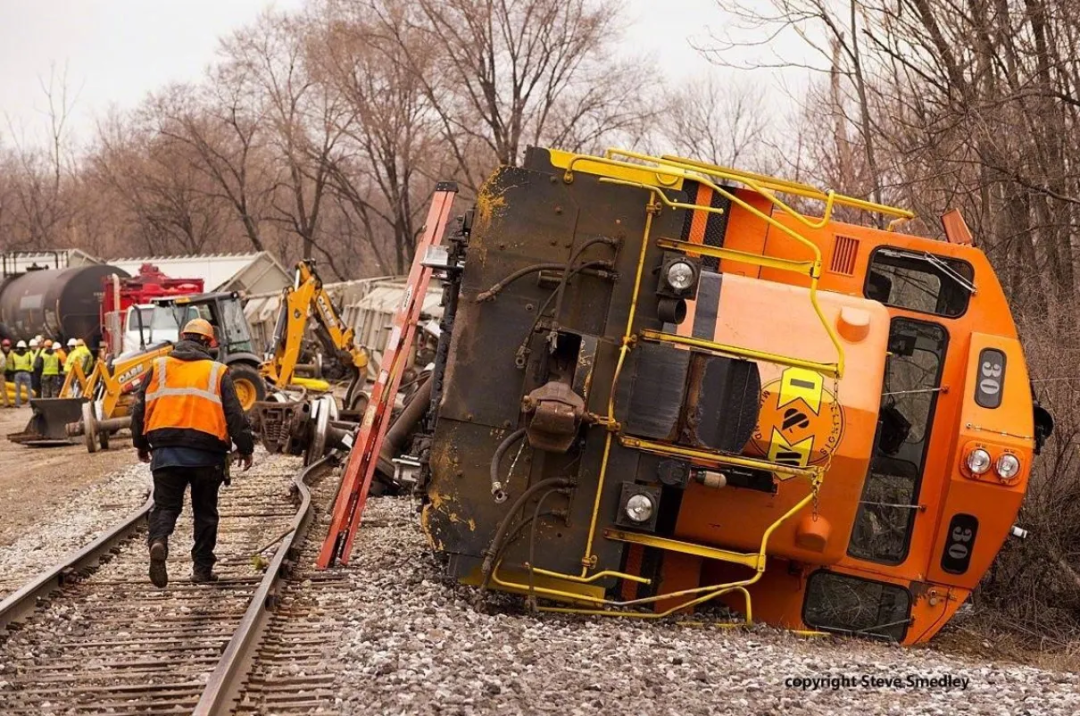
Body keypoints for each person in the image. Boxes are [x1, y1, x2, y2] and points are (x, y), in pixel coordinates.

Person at [130, 318, 255, 588]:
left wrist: (140, 444)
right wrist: (246, 448)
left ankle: (159, 541)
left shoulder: (158, 367)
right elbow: (235, 416)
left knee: (165, 506)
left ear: (182, 336)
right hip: (207, 455)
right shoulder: (217, 371)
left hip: (166, 452)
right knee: (205, 512)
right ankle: (201, 569)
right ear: (209, 343)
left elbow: (139, 408)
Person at [11, 341, 33, 407]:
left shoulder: (14, 355)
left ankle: (17, 404)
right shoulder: (28, 354)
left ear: (18, 347)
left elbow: (13, 364)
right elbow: (30, 362)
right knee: (28, 389)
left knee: (17, 390)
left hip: (17, 373)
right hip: (26, 373)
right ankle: (31, 403)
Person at [0, 339, 10, 408]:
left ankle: (6, 403)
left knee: (3, 389)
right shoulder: (2, 355)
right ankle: (6, 403)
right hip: (1, 374)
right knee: (3, 389)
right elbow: (3, 366)